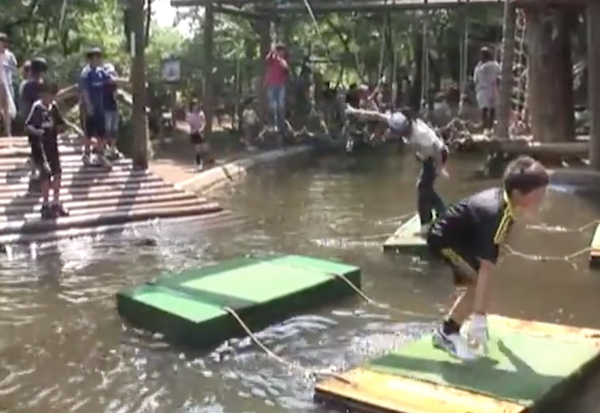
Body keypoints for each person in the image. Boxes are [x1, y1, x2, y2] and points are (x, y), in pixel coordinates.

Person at [427, 156, 549, 360]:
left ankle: (453, 326)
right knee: (477, 280)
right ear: (518, 193)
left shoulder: (508, 203)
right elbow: (487, 269)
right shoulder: (496, 214)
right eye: (538, 196)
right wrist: (480, 317)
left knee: (476, 281)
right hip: (444, 240)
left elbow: (495, 246)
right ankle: (447, 333)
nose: (541, 200)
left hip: (467, 238)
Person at [345, 105, 448, 233]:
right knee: (425, 188)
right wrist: (356, 112)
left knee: (422, 187)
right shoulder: (397, 120)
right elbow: (376, 115)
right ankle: (441, 214)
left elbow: (438, 150)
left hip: (437, 155)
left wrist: (440, 168)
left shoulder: (421, 136)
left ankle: (429, 222)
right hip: (426, 155)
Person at [25, 81, 69, 219]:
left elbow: (60, 124)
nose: (48, 98)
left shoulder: (53, 107)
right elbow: (28, 126)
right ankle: (45, 204)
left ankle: (55, 202)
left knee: (57, 172)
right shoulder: (37, 108)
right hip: (40, 146)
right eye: (46, 95)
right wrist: (37, 132)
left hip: (52, 145)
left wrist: (62, 128)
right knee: (45, 174)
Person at [79, 47, 110, 163]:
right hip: (89, 107)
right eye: (97, 57)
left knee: (101, 132)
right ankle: (86, 155)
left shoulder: (100, 71)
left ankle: (100, 155)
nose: (100, 60)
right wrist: (89, 106)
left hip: (99, 106)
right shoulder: (86, 73)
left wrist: (127, 81)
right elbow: (84, 90)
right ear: (92, 59)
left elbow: (110, 80)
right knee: (89, 132)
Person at [20, 58, 48, 179]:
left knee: (38, 147)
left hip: (38, 120)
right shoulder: (30, 86)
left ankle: (37, 171)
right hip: (34, 121)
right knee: (36, 147)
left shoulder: (34, 84)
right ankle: (35, 173)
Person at [473, 46, 501, 134]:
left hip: (483, 89)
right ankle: (490, 127)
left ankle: (485, 127)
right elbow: (499, 76)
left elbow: (475, 80)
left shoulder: (478, 68)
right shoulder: (495, 65)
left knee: (484, 109)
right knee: (492, 109)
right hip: (493, 88)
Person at [264, 43, 288, 133]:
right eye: (279, 51)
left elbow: (286, 70)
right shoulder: (272, 59)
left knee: (281, 106)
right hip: (272, 84)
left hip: (281, 85)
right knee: (272, 106)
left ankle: (281, 125)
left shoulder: (284, 60)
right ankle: (273, 124)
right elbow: (267, 60)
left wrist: (283, 62)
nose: (281, 53)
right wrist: (272, 51)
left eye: (282, 51)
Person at [102, 63, 120, 159]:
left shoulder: (115, 85)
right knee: (106, 130)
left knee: (114, 130)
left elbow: (116, 95)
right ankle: (105, 148)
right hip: (105, 108)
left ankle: (113, 148)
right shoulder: (104, 82)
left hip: (114, 108)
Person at [0, 33, 17, 136]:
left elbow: (15, 70)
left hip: (6, 83)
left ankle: (8, 132)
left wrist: (8, 67)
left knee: (7, 109)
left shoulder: (9, 56)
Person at [186, 99, 207, 170]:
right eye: (194, 106)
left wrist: (201, 128)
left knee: (204, 148)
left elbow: (203, 122)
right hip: (194, 133)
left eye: (196, 105)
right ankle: (198, 163)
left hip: (200, 132)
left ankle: (200, 161)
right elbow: (190, 123)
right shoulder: (190, 115)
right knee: (198, 148)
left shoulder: (201, 114)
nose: (195, 107)